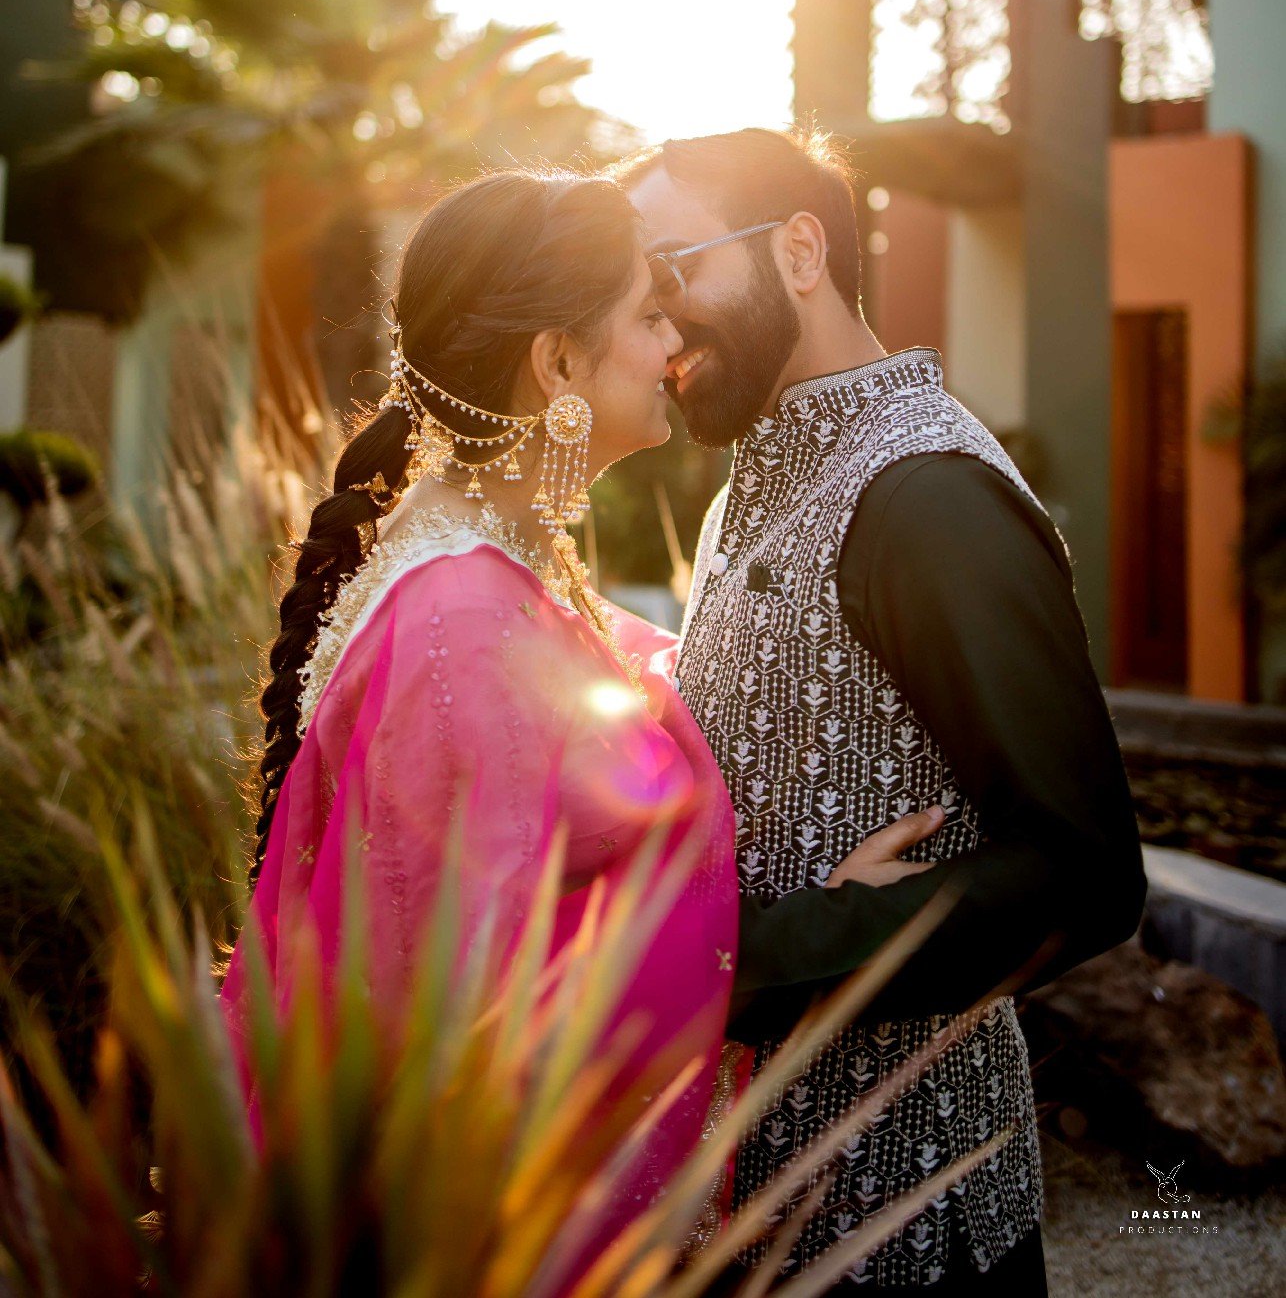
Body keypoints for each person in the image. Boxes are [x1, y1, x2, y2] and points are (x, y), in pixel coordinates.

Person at [620, 127, 1147, 1294]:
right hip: (743, 1208)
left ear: (798, 249)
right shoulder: (755, 479)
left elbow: (1082, 871)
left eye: (674, 273)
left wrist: (742, 964)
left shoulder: (927, 497)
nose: (656, 326)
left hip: (908, 1219)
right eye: (639, 298)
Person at [219, 169, 743, 1286]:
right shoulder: (460, 617)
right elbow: (456, 992)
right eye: (648, 315)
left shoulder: (484, 564)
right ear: (555, 364)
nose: (674, 343)